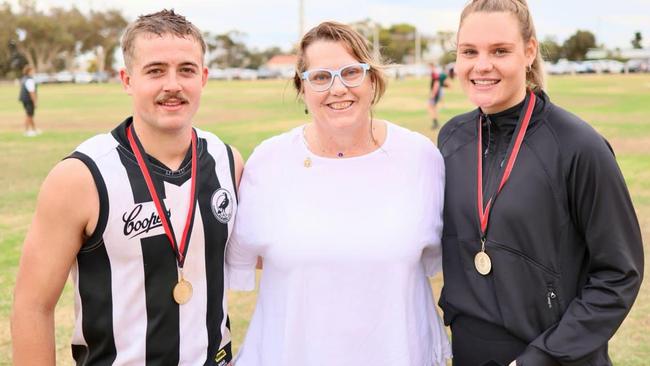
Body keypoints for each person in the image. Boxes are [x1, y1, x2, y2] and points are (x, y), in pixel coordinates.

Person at [11, 9, 243, 365]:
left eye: (186, 70)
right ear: (127, 79)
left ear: (204, 77)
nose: (173, 85)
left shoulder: (228, 162)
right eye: (155, 71)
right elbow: (32, 306)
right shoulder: (81, 177)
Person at [226, 21, 451, 365]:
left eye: (351, 72)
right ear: (302, 88)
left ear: (372, 79)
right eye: (320, 77)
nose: (338, 88)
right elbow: (245, 256)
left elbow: (433, 257)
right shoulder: (268, 161)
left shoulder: (420, 157)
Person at [437, 1, 644, 365]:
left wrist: (541, 358)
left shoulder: (579, 146)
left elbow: (618, 274)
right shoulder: (452, 138)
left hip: (555, 357)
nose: (482, 65)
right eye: (469, 51)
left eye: (500, 51)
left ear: (529, 51)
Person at [19, 64, 40, 136]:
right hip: (29, 100)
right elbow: (32, 92)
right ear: (29, 71)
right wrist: (35, 102)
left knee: (30, 115)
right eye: (32, 70)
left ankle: (34, 130)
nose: (34, 71)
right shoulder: (29, 80)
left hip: (24, 99)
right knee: (29, 115)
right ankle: (26, 131)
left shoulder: (24, 78)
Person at [427, 61, 449, 129]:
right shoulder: (435, 73)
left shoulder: (435, 73)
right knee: (432, 107)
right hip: (437, 92)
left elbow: (437, 83)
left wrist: (433, 93)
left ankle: (435, 123)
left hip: (436, 93)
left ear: (432, 66)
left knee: (431, 107)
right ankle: (435, 122)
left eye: (429, 67)